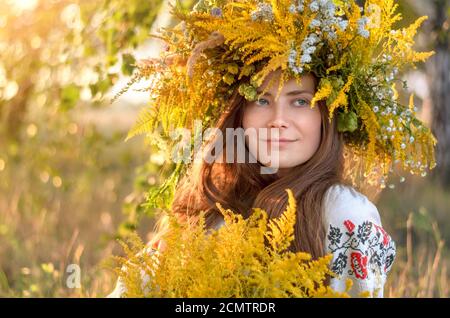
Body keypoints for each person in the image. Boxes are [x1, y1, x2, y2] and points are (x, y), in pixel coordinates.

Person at [108, 0, 436, 298]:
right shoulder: (212, 204)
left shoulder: (344, 214)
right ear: (239, 113)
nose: (278, 121)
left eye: (300, 102)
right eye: (262, 100)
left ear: (328, 115)